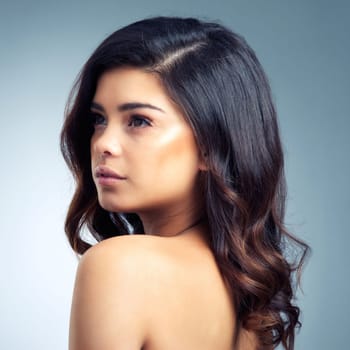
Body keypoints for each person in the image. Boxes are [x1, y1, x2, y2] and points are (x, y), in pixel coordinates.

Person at [60, 16, 309, 350]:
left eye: (139, 121)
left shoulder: (119, 266)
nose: (104, 143)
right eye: (99, 119)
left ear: (210, 147)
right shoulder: (248, 293)